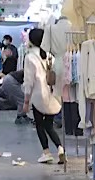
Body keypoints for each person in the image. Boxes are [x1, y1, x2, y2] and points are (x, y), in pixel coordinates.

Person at [23, 27, 65, 165]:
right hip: (52, 94)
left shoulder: (30, 57)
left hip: (38, 95)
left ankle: (46, 152)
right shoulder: (50, 56)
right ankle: (60, 148)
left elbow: (29, 81)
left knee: (40, 125)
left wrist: (26, 101)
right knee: (49, 125)